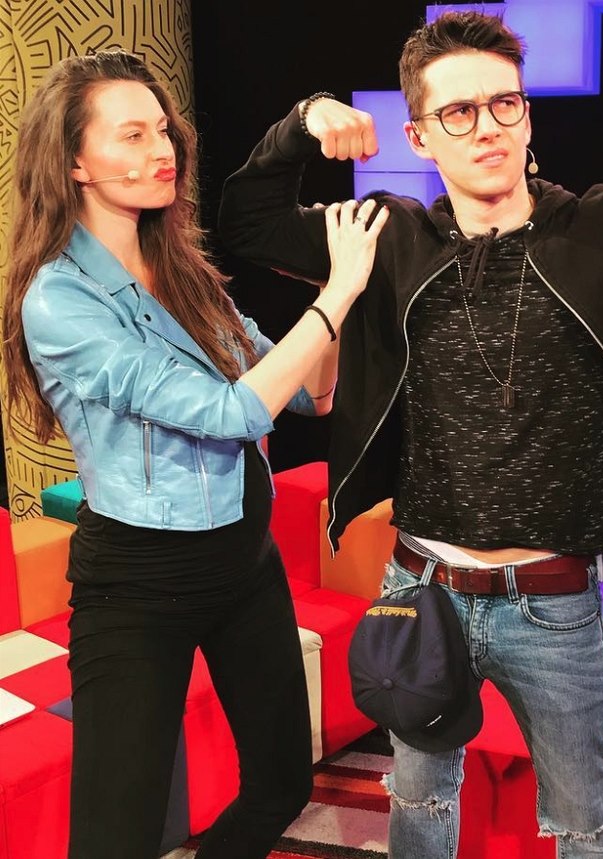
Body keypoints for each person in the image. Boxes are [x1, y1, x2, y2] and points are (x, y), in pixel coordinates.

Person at [217, 10, 603, 857]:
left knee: (585, 821)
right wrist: (302, 122)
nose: (487, 128)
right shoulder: (387, 236)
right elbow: (245, 222)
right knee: (418, 804)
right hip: (422, 584)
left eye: (505, 104)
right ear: (420, 135)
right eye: (458, 112)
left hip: (555, 600)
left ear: (528, 115)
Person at [0, 50, 388, 859]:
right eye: (132, 135)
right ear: (74, 163)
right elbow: (230, 412)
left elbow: (310, 390)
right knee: (114, 841)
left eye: (164, 130)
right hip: (140, 583)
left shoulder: (181, 268)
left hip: (245, 563)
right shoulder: (59, 298)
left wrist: (332, 280)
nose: (162, 149)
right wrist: (338, 292)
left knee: (281, 784)